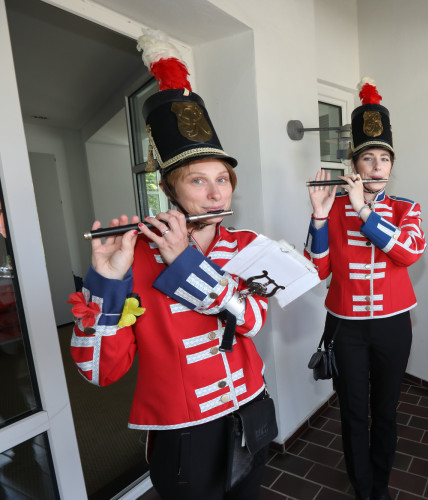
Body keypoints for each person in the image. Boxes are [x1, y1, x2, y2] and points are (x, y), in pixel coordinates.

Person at [69, 31, 273, 500]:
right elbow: (100, 373)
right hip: (183, 434)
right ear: (170, 189)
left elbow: (254, 319)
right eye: (198, 180)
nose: (216, 192)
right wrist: (107, 281)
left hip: (251, 409)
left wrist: (186, 261)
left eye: (223, 178)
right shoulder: (135, 255)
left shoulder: (247, 245)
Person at [304, 77, 426, 500]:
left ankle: (382, 482)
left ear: (391, 165)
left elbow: (409, 252)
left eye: (383, 158)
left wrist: (361, 210)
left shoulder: (406, 208)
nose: (376, 166)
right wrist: (319, 218)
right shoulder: (333, 207)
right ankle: (362, 485)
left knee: (385, 410)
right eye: (367, 158)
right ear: (354, 165)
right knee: (354, 411)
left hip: (394, 325)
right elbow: (315, 270)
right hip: (345, 327)